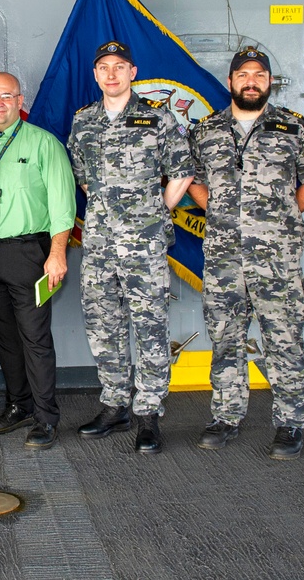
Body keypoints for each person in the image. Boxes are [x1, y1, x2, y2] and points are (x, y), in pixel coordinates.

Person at [188, 47, 304, 460]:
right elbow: (190, 178)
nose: (251, 81)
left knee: (283, 339)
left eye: (260, 75)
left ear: (269, 82)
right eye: (243, 74)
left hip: (276, 259)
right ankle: (226, 417)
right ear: (231, 81)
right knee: (225, 338)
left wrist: (281, 214)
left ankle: (290, 423)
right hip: (224, 259)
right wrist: (216, 208)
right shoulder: (206, 130)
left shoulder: (293, 128)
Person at [67, 41, 195, 454]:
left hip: (144, 245)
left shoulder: (157, 118)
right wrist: (109, 210)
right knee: (103, 325)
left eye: (119, 67)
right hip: (100, 245)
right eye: (103, 67)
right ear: (95, 74)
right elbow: (82, 176)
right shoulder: (84, 121)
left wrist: (154, 212)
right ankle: (115, 404)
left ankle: (149, 414)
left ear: (133, 72)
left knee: (150, 328)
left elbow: (182, 171)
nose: (111, 74)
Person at [0, 72, 76, 450]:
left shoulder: (44, 144)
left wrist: (57, 254)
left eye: (6, 96)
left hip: (28, 252)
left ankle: (46, 417)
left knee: (35, 339)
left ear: (19, 101)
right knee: (4, 338)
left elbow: (64, 206)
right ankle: (20, 404)